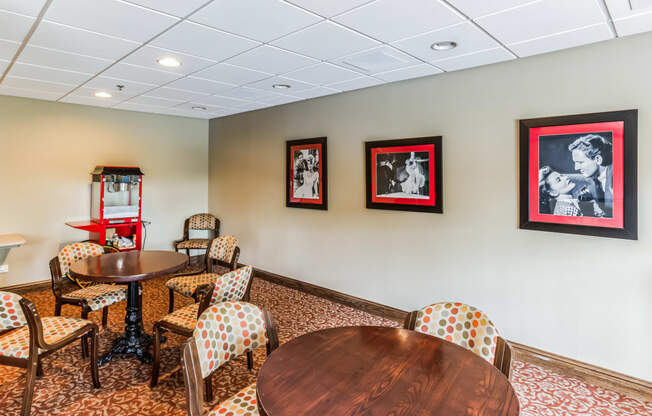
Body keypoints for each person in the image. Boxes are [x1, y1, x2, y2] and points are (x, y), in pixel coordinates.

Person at [568, 134, 613, 217]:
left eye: (580, 162)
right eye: (575, 162)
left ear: (598, 159)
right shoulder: (593, 180)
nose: (576, 168)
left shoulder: (616, 178)